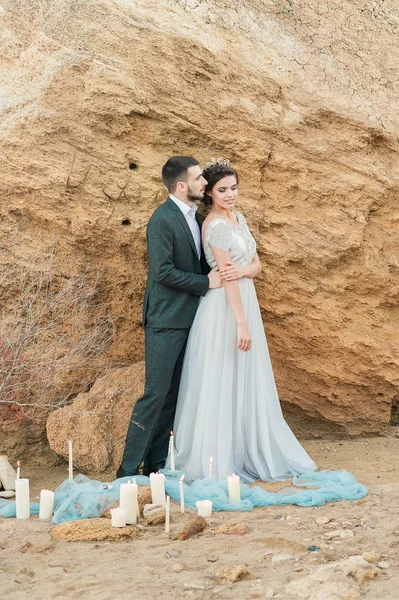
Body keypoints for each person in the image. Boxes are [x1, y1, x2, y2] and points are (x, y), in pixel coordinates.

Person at [171, 157, 317, 483]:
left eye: (233, 188)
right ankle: (218, 459)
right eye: (222, 190)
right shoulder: (215, 226)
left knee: (244, 376)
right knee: (222, 376)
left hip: (245, 298)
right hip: (225, 307)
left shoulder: (239, 218)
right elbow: (227, 276)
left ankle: (245, 449)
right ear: (209, 193)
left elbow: (256, 264)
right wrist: (240, 322)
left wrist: (244, 270)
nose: (230, 194)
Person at [117, 156, 221, 478]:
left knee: (173, 396)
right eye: (199, 178)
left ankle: (155, 467)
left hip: (191, 320)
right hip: (164, 320)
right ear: (181, 185)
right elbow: (162, 272)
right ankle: (126, 471)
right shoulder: (162, 219)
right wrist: (207, 282)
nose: (204, 182)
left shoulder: (196, 217)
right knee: (154, 395)